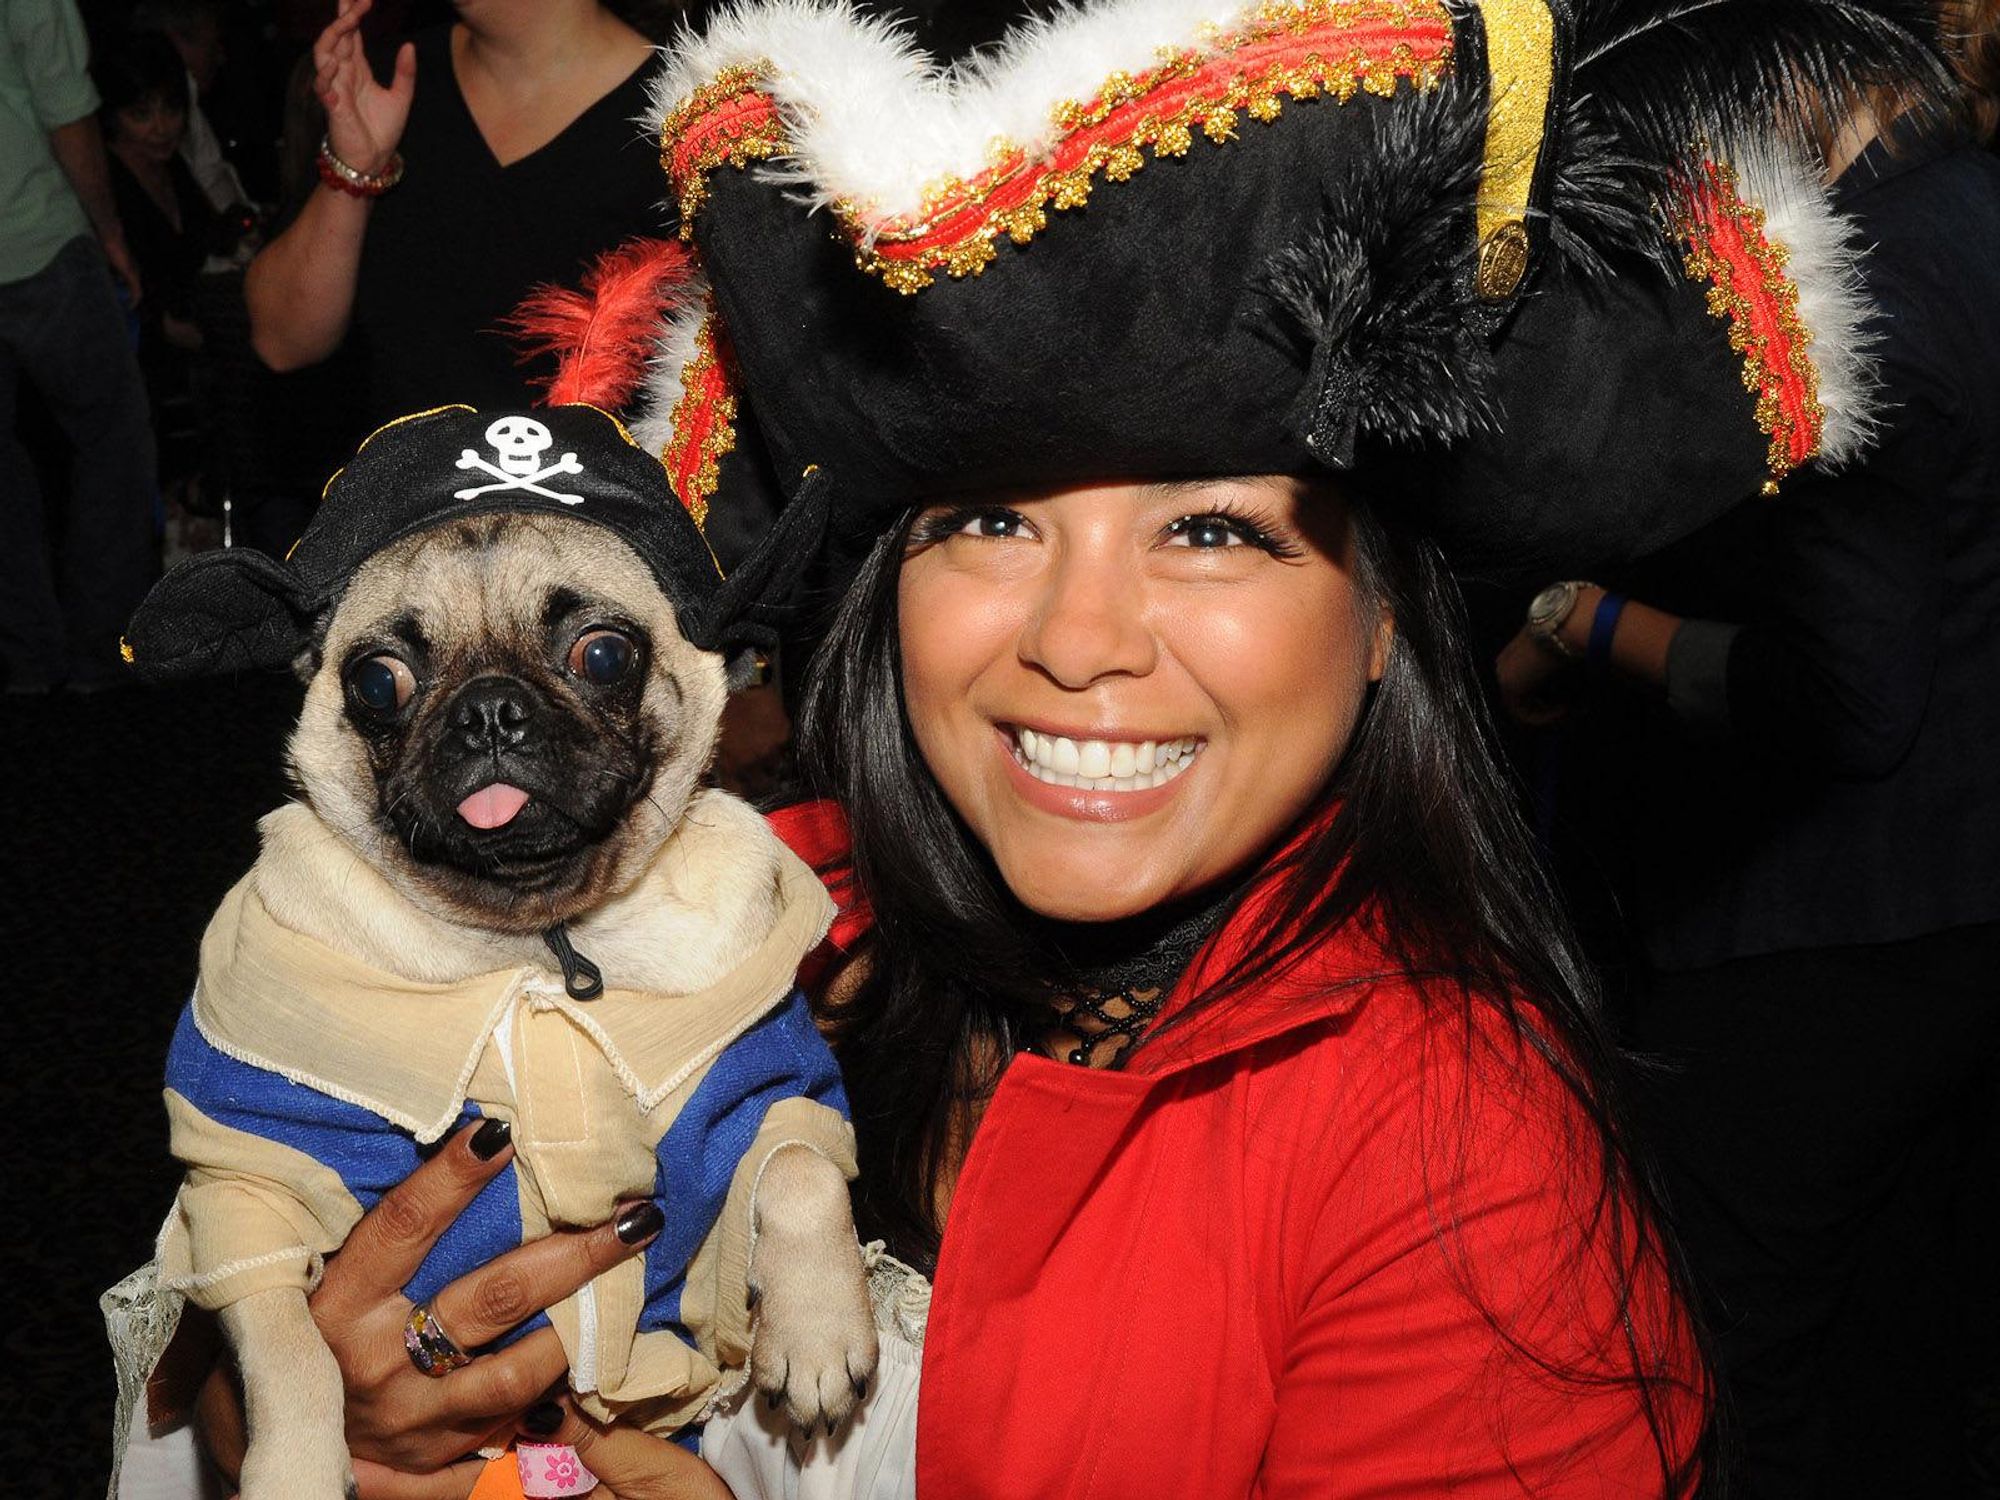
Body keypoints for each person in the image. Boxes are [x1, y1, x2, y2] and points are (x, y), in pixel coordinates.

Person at [110, 0, 1951, 1495]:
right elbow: (252, 1305)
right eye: (989, 520)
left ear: (1392, 614)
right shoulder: (743, 910)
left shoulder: (1460, 1189)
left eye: (1213, 529)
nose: (1078, 638)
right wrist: (339, 1416)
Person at [1493, 3, 2000, 1490]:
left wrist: (1588, 624)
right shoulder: (1968, 204)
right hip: (1960, 905)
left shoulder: (1851, 292)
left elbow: (1843, 697)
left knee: (1728, 1351)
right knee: (1900, 1338)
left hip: (1826, 937)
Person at [242, 0, 664, 430]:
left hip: (583, 473)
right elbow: (281, 342)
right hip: (396, 471)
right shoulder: (393, 77)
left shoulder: (678, 119)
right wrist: (356, 170)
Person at [0, 0, 157, 693]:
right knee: (113, 444)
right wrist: (110, 231)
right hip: (35, 236)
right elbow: (65, 103)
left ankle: (26, 666)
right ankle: (103, 656)